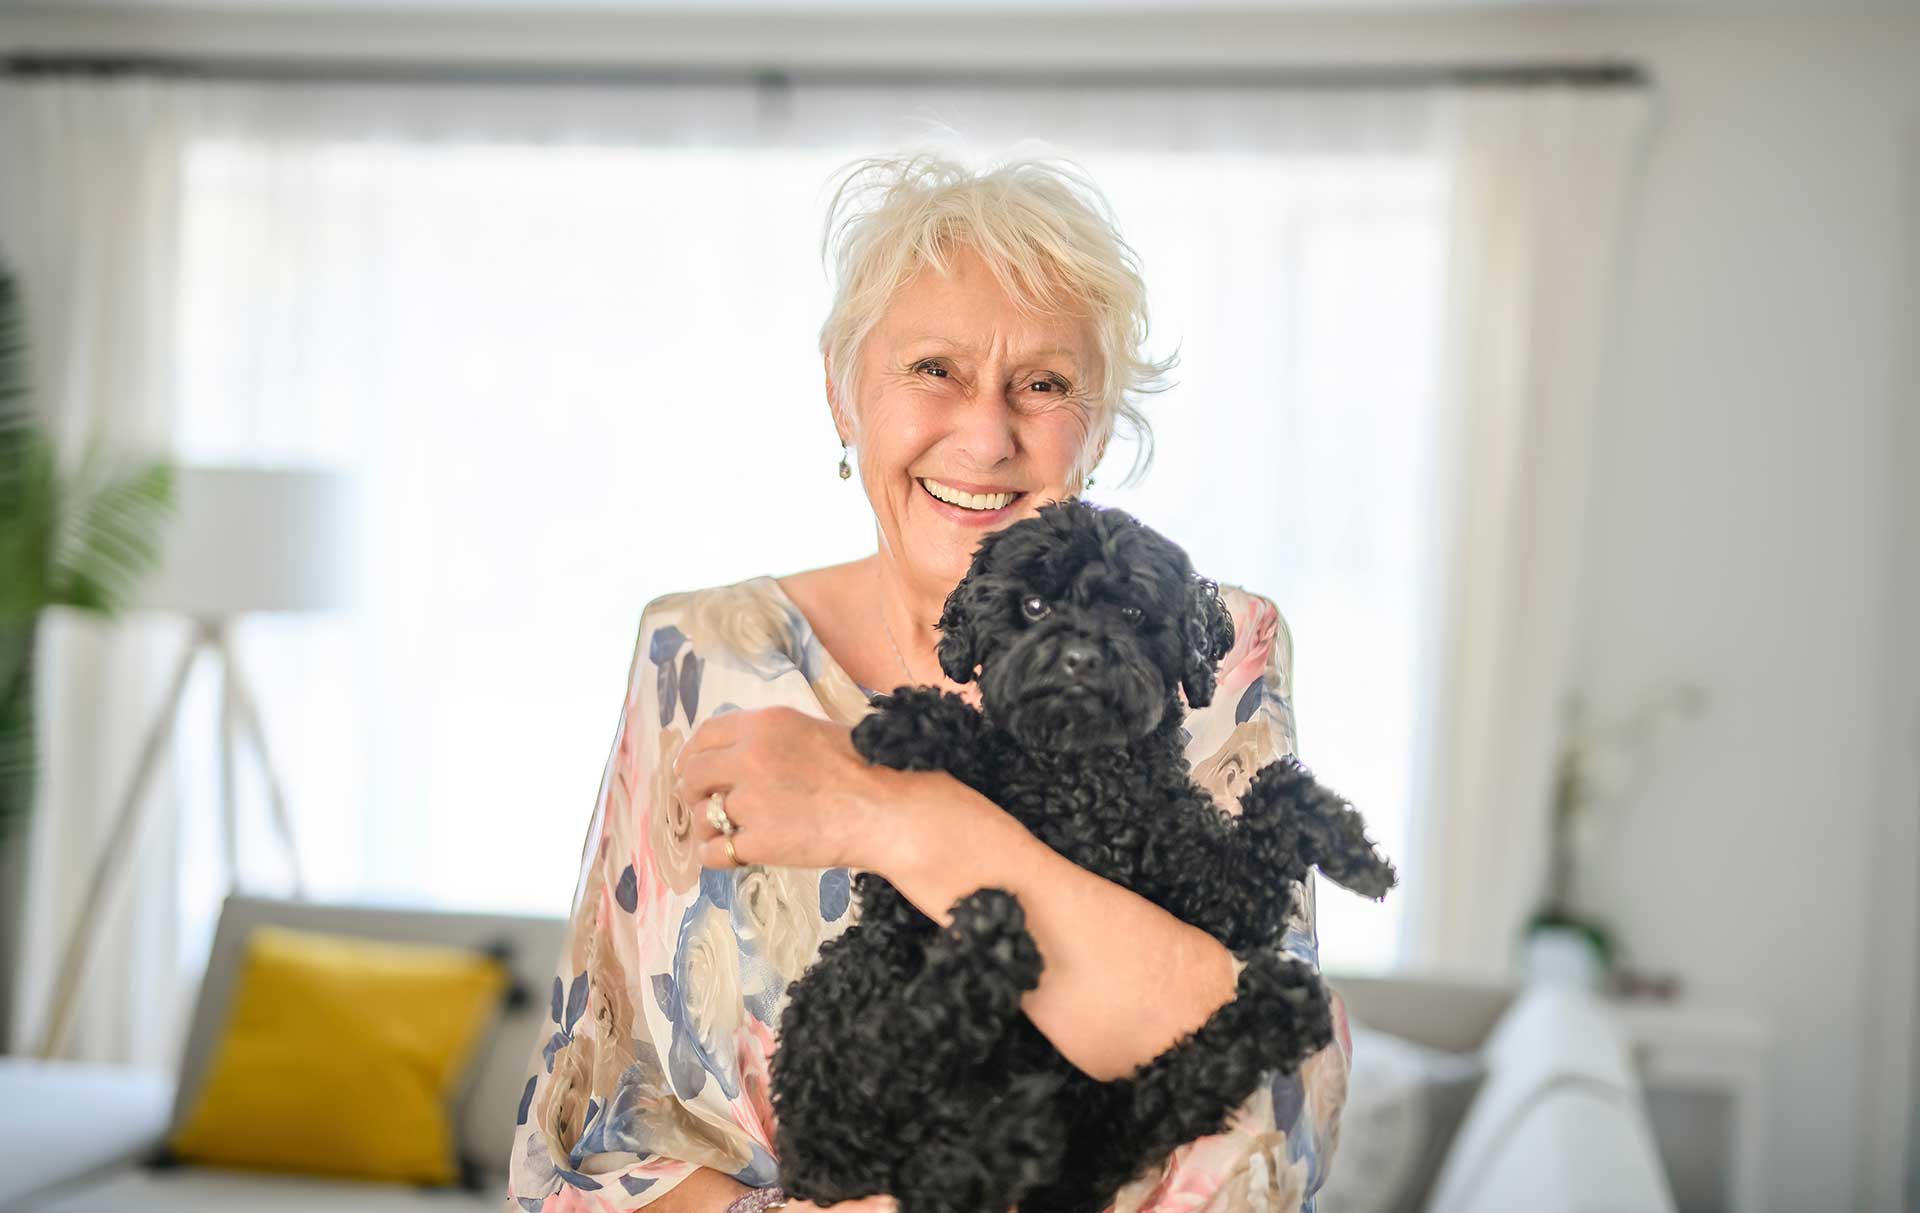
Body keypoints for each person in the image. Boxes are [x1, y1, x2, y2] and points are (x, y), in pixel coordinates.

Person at [504, 151, 1352, 1213]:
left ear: (1095, 427)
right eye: (934, 370)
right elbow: (588, 1116)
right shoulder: (698, 653)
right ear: (841, 392)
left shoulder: (1215, 647)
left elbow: (1265, 1071)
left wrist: (892, 818)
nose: (987, 435)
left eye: (1043, 384)